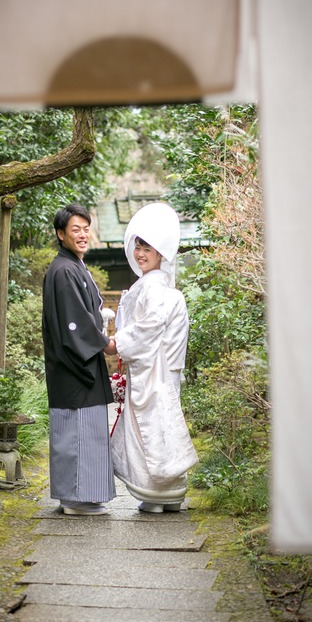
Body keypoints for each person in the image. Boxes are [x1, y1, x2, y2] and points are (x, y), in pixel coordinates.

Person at [109, 202, 198, 513]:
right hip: (165, 369)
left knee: (148, 429)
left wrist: (115, 343)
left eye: (148, 248)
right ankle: (172, 494)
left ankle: (154, 493)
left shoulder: (153, 289)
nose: (140, 253)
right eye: (138, 246)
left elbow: (148, 328)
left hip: (152, 370)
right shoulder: (165, 288)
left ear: (162, 253)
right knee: (165, 426)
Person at [41, 204, 119, 515]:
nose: (83, 234)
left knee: (85, 432)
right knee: (76, 432)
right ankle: (75, 498)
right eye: (75, 229)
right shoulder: (63, 271)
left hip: (79, 365)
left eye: (86, 228)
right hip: (74, 367)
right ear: (61, 235)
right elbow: (75, 322)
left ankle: (81, 495)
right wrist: (105, 343)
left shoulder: (73, 267)